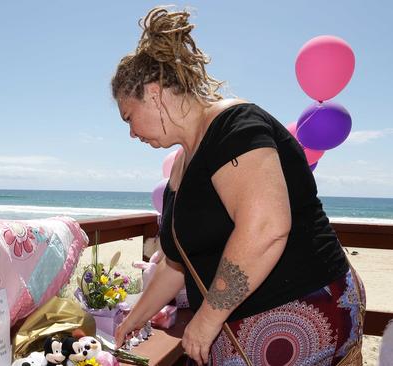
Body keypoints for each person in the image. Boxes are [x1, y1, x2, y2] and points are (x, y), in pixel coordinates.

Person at [111, 6, 365, 366]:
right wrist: (133, 318)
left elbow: (265, 229)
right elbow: (175, 263)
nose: (132, 132)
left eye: (129, 117)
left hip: (300, 310)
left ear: (153, 94)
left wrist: (207, 318)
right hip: (244, 321)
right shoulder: (183, 164)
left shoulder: (234, 126)